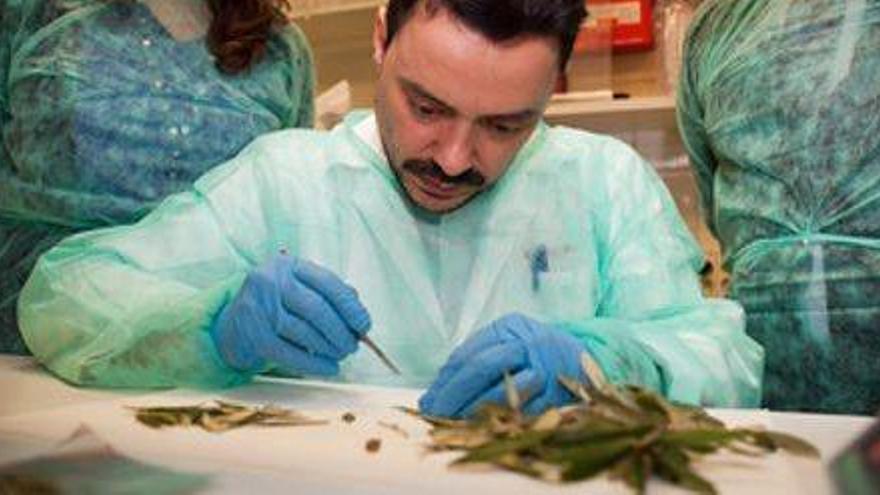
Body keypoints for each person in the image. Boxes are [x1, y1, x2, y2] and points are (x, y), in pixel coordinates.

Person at [19, 0, 762, 418]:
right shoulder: (290, 180)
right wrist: (211, 324)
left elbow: (726, 362)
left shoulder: (603, 184)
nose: (452, 158)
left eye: (506, 125)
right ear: (381, 39)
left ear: (556, 87)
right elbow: (64, 299)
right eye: (426, 105)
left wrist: (605, 360)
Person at [0, 0, 315, 354]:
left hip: (214, 352)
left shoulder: (280, 50)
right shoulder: (29, 15)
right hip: (39, 339)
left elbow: (284, 210)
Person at [678, 0, 880, 414]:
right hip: (759, 349)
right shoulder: (716, 28)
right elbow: (712, 191)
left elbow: (709, 188)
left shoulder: (718, 28)